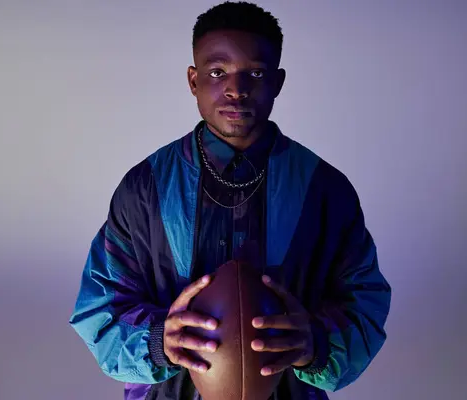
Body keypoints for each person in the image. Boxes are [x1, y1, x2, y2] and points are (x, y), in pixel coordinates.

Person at [69, 2, 391, 399]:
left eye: (254, 73)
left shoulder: (324, 189)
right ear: (193, 79)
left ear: (278, 81)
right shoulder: (145, 188)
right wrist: (158, 341)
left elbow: (364, 304)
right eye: (217, 72)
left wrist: (317, 344)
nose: (236, 89)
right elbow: (99, 307)